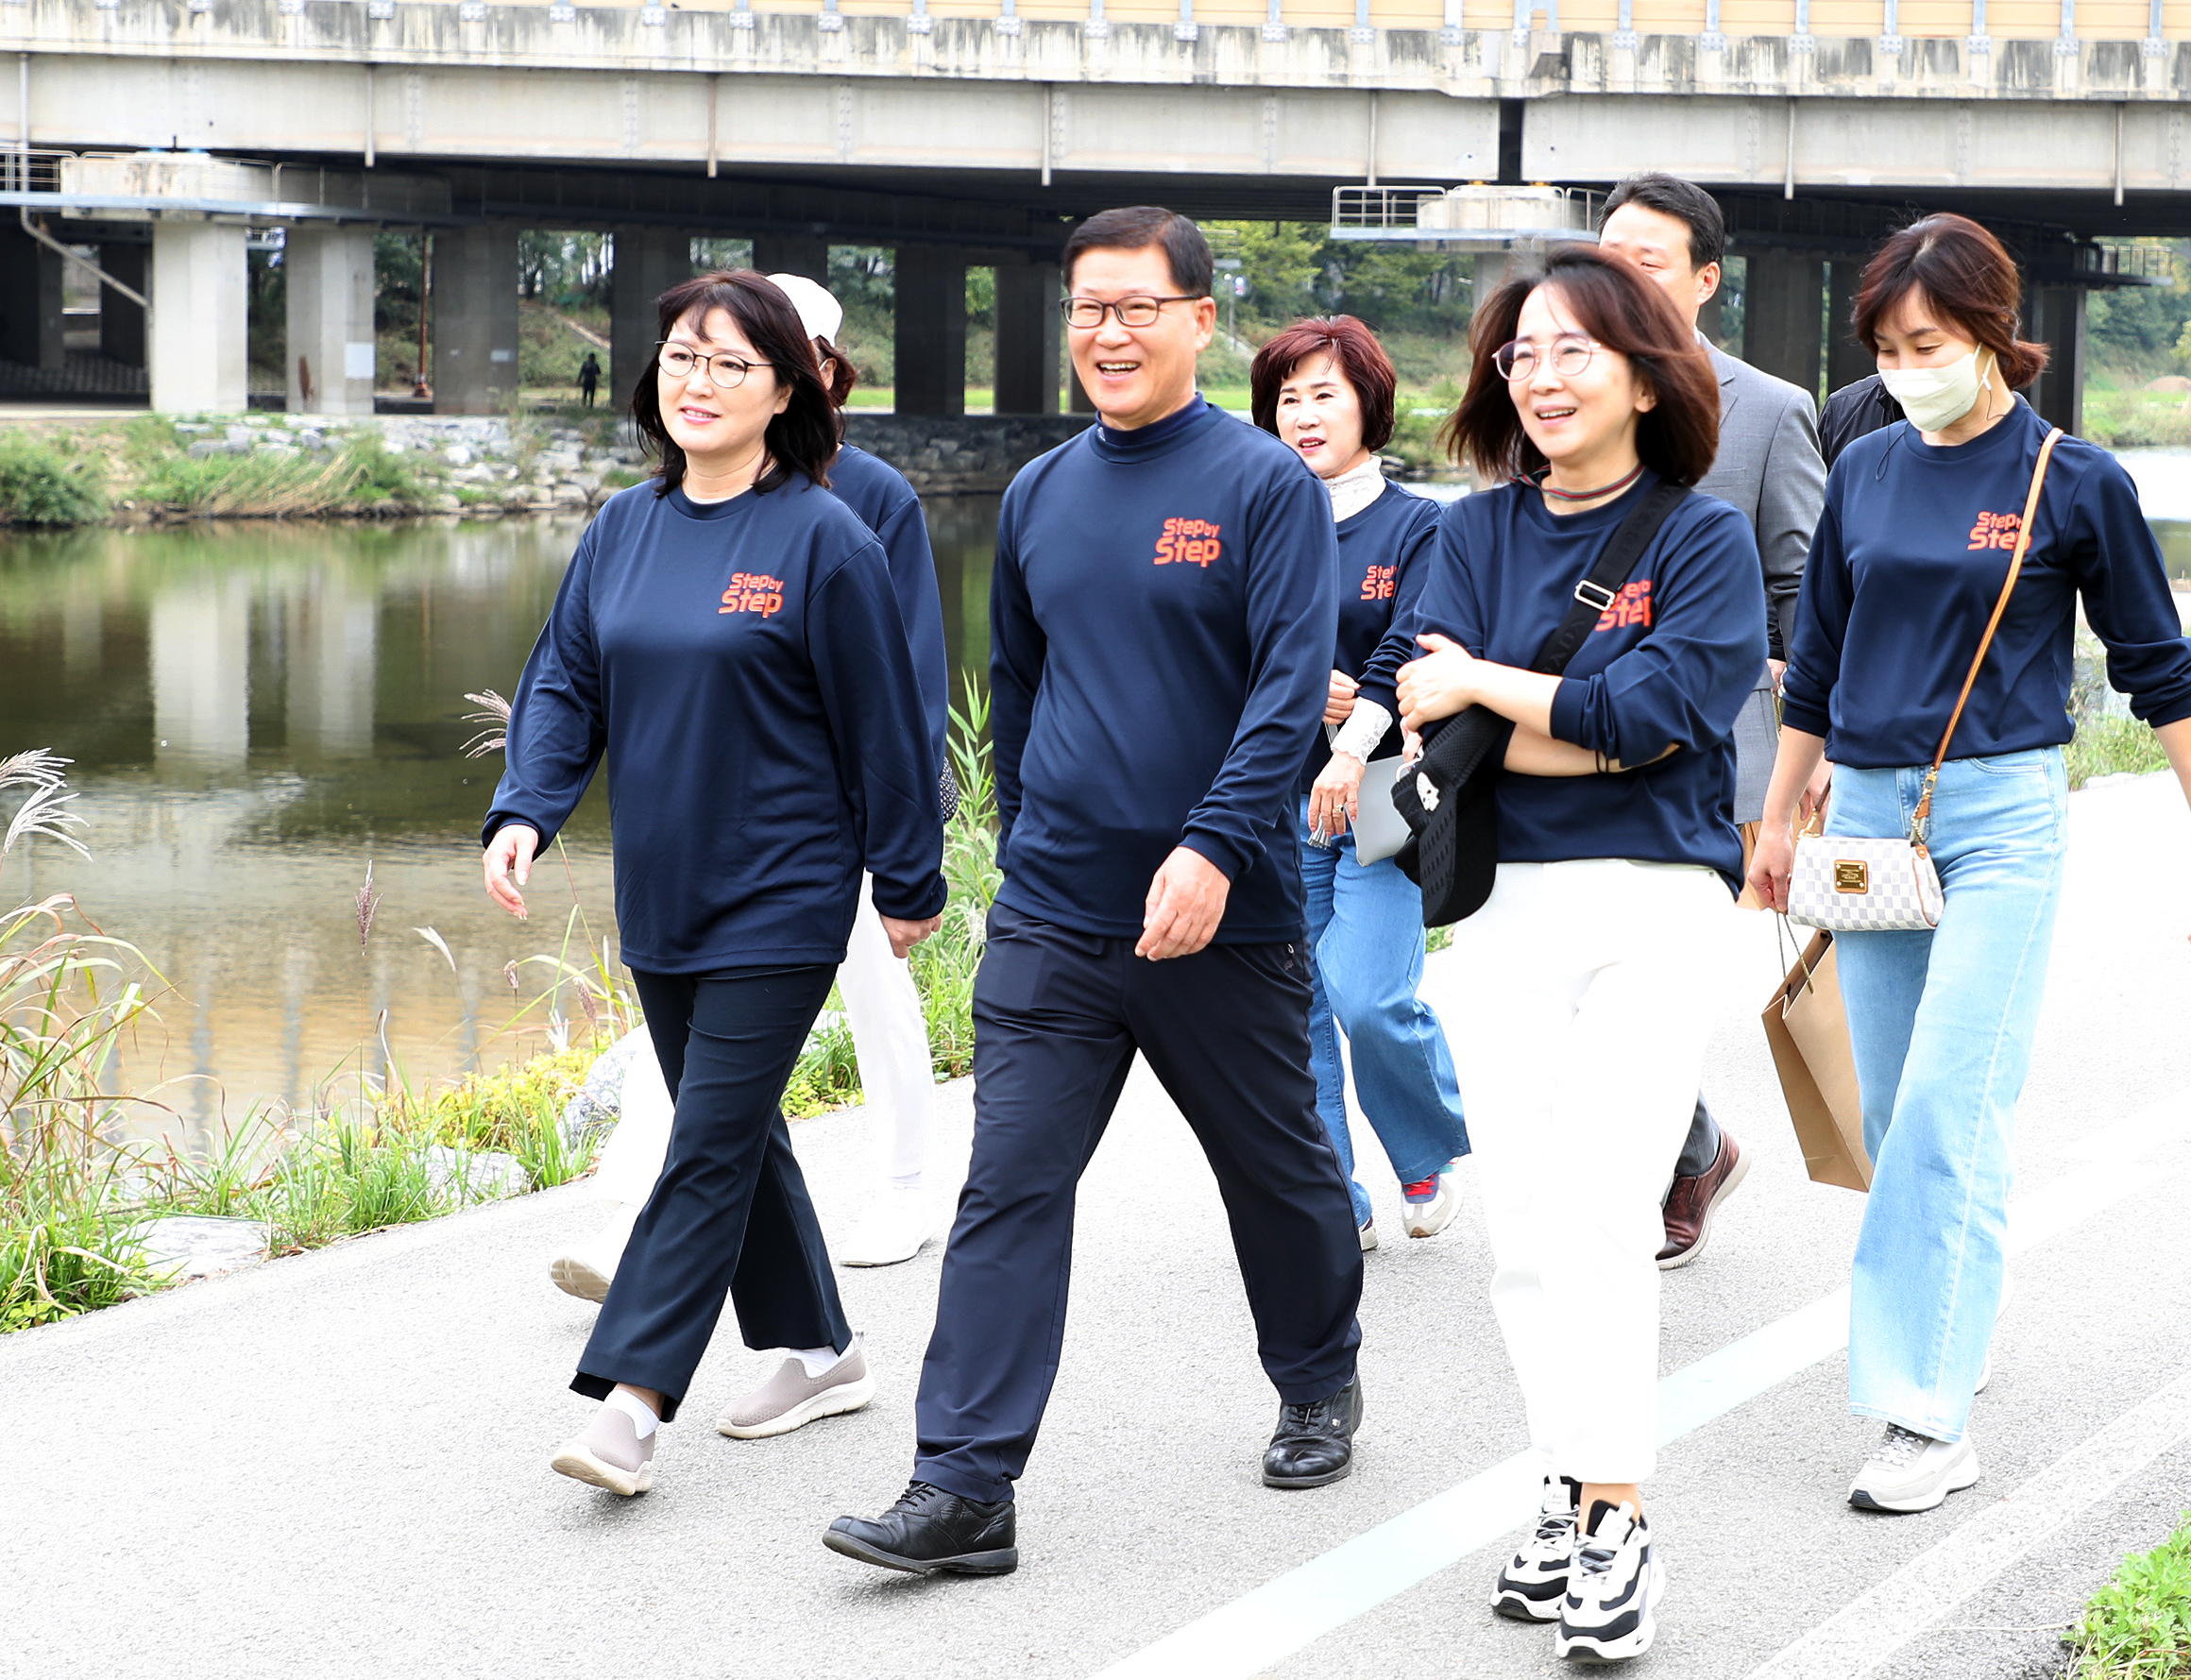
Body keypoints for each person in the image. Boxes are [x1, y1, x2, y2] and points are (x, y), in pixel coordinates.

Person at [824, 207, 1364, 1580]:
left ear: (1198, 319)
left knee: (1276, 1169)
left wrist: (1212, 846)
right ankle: (963, 1483)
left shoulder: (1263, 488)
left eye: (1134, 308)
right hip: (1058, 914)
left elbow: (1283, 689)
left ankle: (1317, 1370)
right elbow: (1014, 681)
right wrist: (1013, 833)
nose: (1106, 335)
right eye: (1085, 311)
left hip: (1220, 915)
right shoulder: (1040, 491)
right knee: (1008, 1185)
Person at [1751, 213, 2191, 1515]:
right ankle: (1949, 1305)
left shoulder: (2069, 481)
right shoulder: (1861, 469)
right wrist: (1777, 813)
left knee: (1947, 1107)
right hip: (1862, 814)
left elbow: (2160, 667)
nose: (1907, 364)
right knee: (1889, 1108)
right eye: (1887, 345)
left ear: (1990, 334)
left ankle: (1925, 1413)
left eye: (1930, 341)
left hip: (2002, 814)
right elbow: (1816, 661)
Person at [484, 269, 948, 1497]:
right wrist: (528, 804)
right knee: (741, 1135)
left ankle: (631, 1400)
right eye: (683, 355)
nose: (698, 380)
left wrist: (908, 876)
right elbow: (567, 682)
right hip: (666, 889)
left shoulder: (824, 537)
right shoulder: (624, 528)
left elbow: (885, 726)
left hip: (786, 891)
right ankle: (823, 1346)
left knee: (703, 1140)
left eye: (731, 363)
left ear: (789, 386)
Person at [1400, 242, 1766, 1663]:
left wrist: (1492, 685)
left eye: (1572, 350)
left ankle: (1614, 1516)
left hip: (1652, 904)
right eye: (1519, 353)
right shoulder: (1468, 532)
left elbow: (1658, 716)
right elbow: (1430, 724)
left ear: (1639, 370)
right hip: (1497, 912)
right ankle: (1561, 1481)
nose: (1540, 376)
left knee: (1610, 1208)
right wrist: (1538, 713)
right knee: (1528, 1231)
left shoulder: (1697, 536)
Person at [1597, 171, 1828, 1269]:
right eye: (1606, 257)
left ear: (1703, 280)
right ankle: (1695, 1141)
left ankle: (1671, 1154)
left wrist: (1805, 757)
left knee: (1647, 977)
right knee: (1585, 975)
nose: (1620, 280)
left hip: (1710, 756)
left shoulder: (1770, 411)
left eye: (1647, 261)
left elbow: (1809, 596)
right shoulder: (1552, 392)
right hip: (1563, 739)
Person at [1253, 314, 1469, 1250]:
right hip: (1268, 799)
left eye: (1322, 393)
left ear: (1368, 406)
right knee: (1292, 1008)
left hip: (1381, 792)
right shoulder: (1254, 521)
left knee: (1368, 995)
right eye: (1286, 398)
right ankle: (1331, 1198)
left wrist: (1353, 743)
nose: (1301, 413)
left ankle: (1423, 1153)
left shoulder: (1420, 523)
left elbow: (1406, 642)